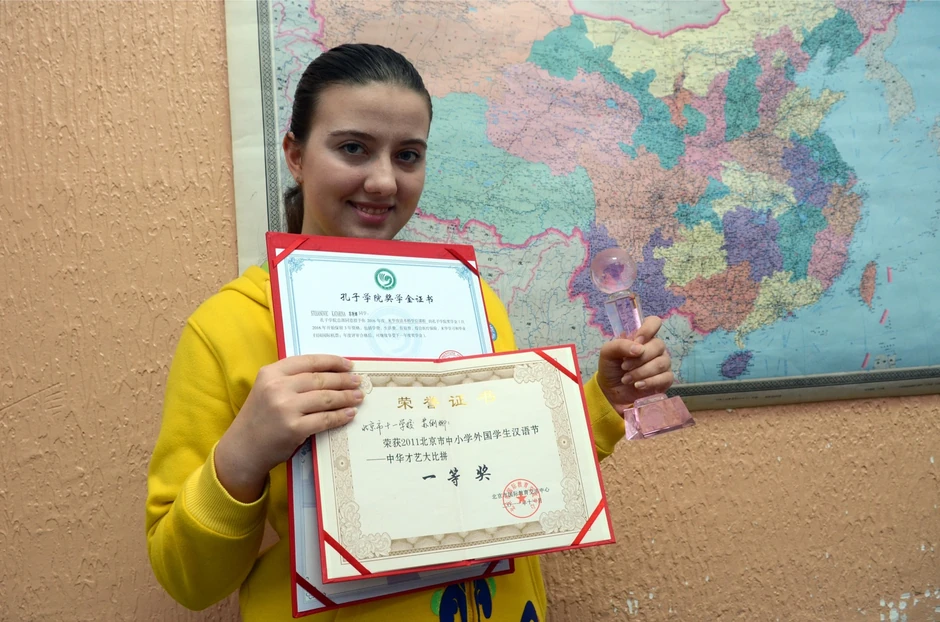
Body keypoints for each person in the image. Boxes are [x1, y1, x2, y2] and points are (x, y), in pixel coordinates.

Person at [146, 43, 675, 622]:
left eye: (407, 155)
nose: (382, 181)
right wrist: (243, 455)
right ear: (295, 155)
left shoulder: (470, 298)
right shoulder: (227, 325)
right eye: (353, 148)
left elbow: (507, 471)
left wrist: (604, 401)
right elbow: (188, 582)